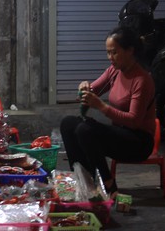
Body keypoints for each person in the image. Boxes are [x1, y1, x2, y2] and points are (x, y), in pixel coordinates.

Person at [60, 26, 156, 197]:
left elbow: (134, 121)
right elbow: (93, 89)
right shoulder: (115, 71)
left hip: (138, 142)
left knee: (85, 129)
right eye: (108, 53)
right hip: (119, 134)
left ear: (130, 51)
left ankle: (108, 183)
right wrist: (84, 88)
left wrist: (101, 107)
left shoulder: (142, 80)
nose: (110, 58)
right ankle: (83, 178)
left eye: (114, 53)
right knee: (68, 123)